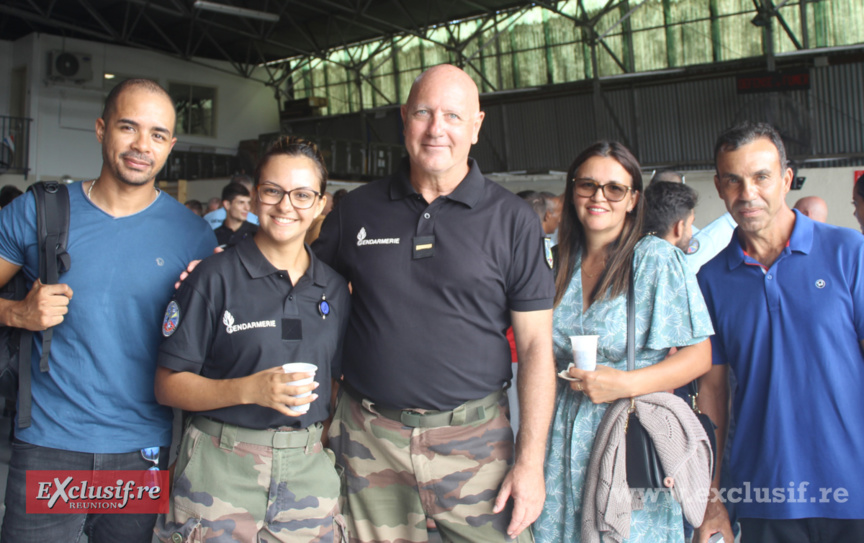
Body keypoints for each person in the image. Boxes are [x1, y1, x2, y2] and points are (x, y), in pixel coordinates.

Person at [313, 64, 556, 542]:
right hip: (369, 441)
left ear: (476, 126)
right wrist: (225, 271)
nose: (436, 129)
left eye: (452, 115)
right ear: (404, 118)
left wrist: (530, 464)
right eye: (423, 113)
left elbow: (534, 349)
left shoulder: (512, 221)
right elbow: (304, 295)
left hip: (477, 444)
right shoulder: (356, 211)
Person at [0, 78, 217, 542]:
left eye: (158, 135)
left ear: (170, 145)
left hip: (140, 452)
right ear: (101, 129)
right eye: (128, 127)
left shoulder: (194, 236)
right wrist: (16, 313)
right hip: (50, 445)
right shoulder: (39, 212)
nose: (142, 145)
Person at [154, 137, 350, 542]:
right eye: (273, 191)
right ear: (256, 197)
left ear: (320, 205)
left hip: (308, 475)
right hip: (221, 471)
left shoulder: (333, 288)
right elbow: (167, 385)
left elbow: (333, 383)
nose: (285, 206)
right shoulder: (213, 277)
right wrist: (250, 389)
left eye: (302, 195)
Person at [535, 141, 713, 543]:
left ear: (633, 199)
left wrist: (625, 383)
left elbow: (699, 354)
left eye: (615, 188)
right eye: (587, 185)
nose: (599, 197)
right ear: (571, 192)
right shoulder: (554, 260)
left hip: (625, 433)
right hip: (557, 435)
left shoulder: (653, 259)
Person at [695, 122, 864, 543]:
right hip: (764, 493)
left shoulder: (848, 253)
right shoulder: (711, 281)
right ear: (718, 186)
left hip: (855, 489)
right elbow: (713, 395)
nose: (747, 193)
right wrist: (712, 500)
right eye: (733, 180)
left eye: (761, 177)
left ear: (786, 179)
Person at [644, 180, 699, 252]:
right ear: (679, 228)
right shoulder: (673, 261)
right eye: (690, 224)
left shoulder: (629, 253)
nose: (691, 233)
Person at [213, 182, 258, 247]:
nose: (247, 208)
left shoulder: (257, 235)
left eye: (248, 203)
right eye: (241, 202)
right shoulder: (214, 236)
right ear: (227, 205)